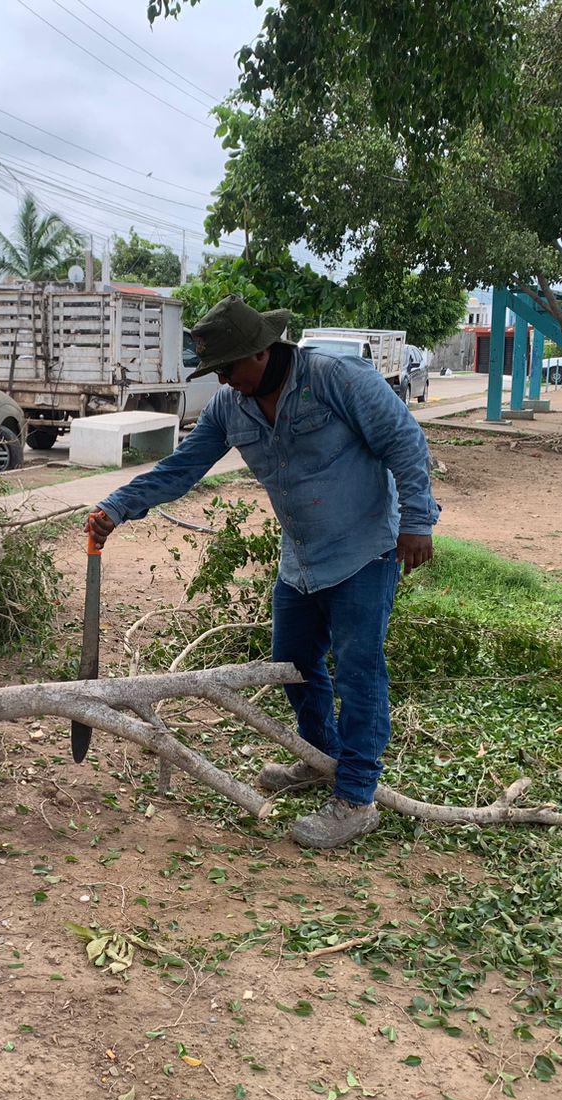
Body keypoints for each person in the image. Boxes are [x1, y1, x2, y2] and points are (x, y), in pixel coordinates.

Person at [87, 294, 440, 849]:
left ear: (260, 352)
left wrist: (417, 521)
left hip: (364, 551)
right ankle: (320, 759)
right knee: (293, 663)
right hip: (302, 559)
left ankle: (355, 798)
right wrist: (119, 504)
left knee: (358, 669)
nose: (223, 380)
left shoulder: (334, 378)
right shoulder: (232, 406)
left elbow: (404, 441)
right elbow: (184, 465)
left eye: (228, 367)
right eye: (216, 371)